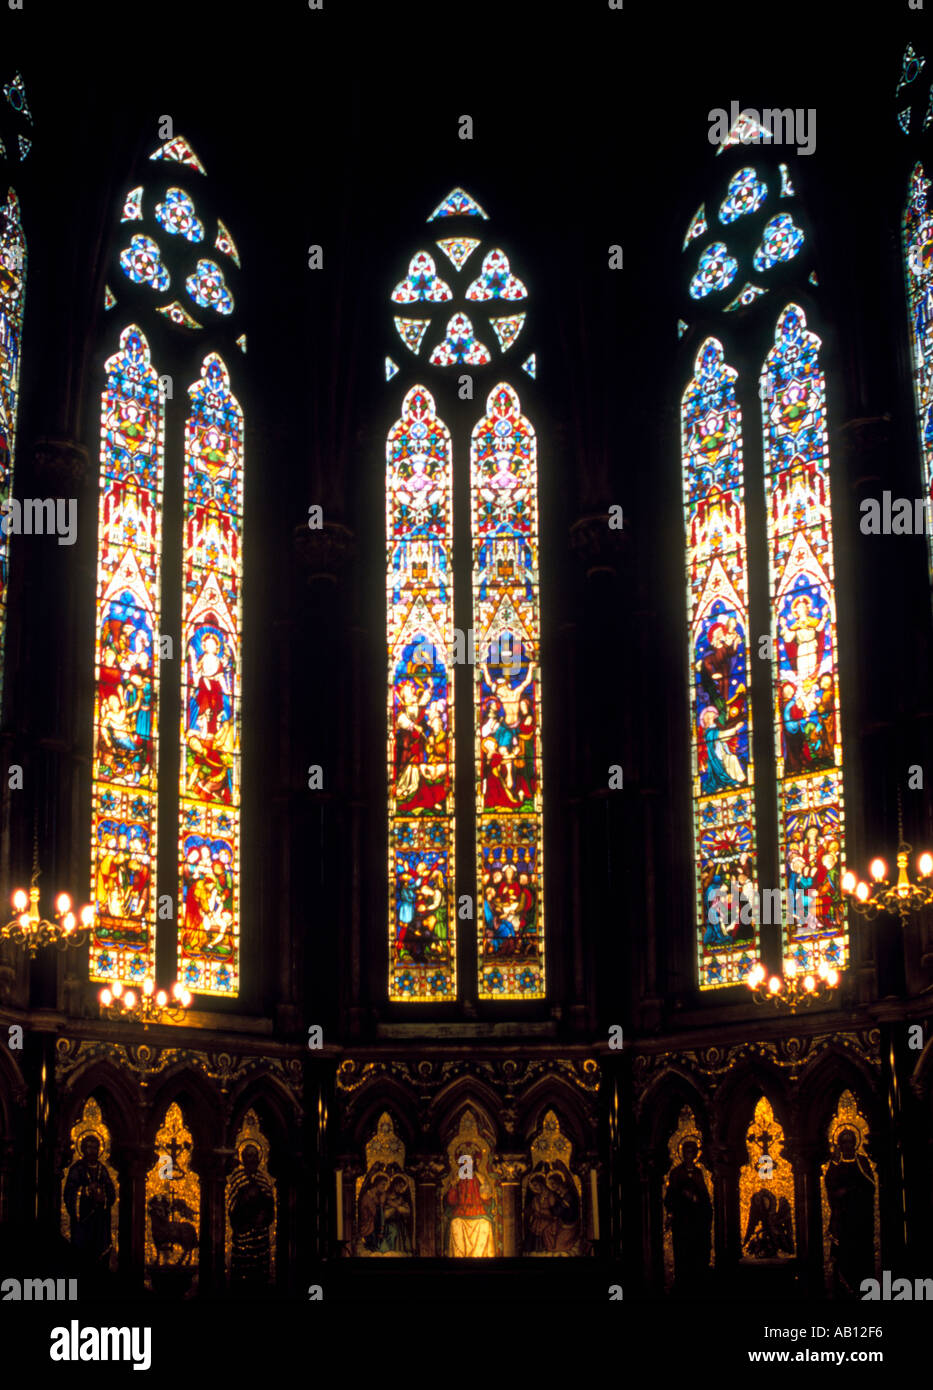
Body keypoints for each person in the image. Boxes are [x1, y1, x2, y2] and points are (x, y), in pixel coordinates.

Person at [664, 1139, 712, 1292]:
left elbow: (704, 1197)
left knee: (697, 1253)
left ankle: (697, 1282)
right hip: (682, 1221)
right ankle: (683, 1283)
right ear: (683, 1154)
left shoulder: (698, 1173)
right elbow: (670, 1197)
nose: (689, 1155)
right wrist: (682, 1197)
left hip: (697, 1222)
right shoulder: (676, 1173)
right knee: (683, 1254)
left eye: (692, 1152)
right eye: (687, 1152)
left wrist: (698, 1200)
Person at [63, 1134, 116, 1267]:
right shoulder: (77, 1169)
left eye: (95, 1148)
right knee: (83, 1259)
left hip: (100, 1222)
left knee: (100, 1256)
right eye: (89, 1148)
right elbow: (69, 1193)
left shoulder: (101, 1170)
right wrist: (86, 1191)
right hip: (83, 1223)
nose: (92, 1151)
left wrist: (103, 1196)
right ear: (83, 1149)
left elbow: (111, 1193)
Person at [228, 1143, 275, 1289]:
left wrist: (263, 1216)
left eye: (255, 1156)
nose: (252, 1159)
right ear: (243, 1158)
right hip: (243, 1231)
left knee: (259, 1273)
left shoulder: (263, 1179)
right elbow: (232, 1204)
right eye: (249, 1156)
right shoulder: (237, 1179)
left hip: (260, 1235)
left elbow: (269, 1205)